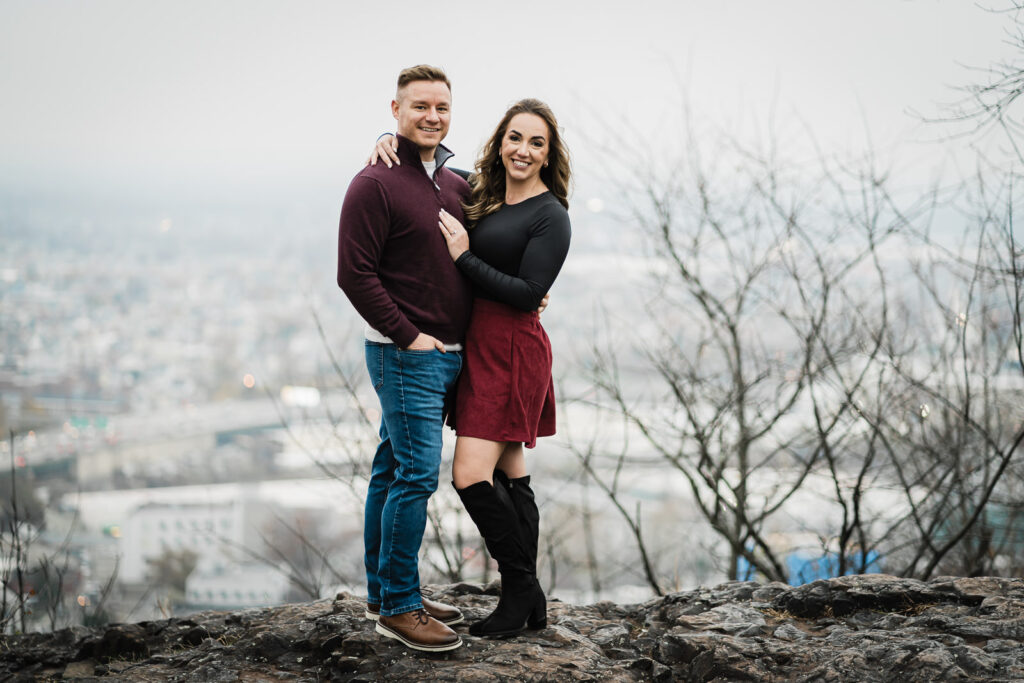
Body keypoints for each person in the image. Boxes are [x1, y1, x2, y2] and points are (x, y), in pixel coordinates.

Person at [371, 98, 571, 637]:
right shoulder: (483, 192)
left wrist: (463, 257)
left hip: (510, 350)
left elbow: (529, 293)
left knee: (468, 474)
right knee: (512, 473)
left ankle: (520, 588)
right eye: (514, 138)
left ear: (550, 155)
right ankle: (528, 602)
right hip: (480, 346)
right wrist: (388, 143)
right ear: (499, 142)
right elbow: (430, 174)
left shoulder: (551, 215)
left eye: (536, 143)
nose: (522, 150)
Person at [336, 64, 470, 653]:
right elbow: (353, 273)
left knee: (391, 470)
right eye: (420, 106)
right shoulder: (375, 182)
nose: (432, 116)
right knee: (415, 475)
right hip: (404, 353)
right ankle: (398, 606)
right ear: (395, 110)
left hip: (442, 355)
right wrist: (408, 335)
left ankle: (385, 590)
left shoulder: (452, 180)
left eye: (441, 106)